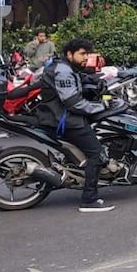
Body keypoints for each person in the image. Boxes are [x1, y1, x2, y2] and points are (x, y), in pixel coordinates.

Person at [36, 38, 118, 213]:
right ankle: (89, 200)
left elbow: (81, 79)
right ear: (69, 54)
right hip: (65, 120)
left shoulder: (65, 67)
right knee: (97, 154)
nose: (85, 58)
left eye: (87, 54)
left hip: (57, 116)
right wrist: (100, 106)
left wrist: (96, 83)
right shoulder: (64, 71)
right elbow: (73, 102)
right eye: (82, 54)